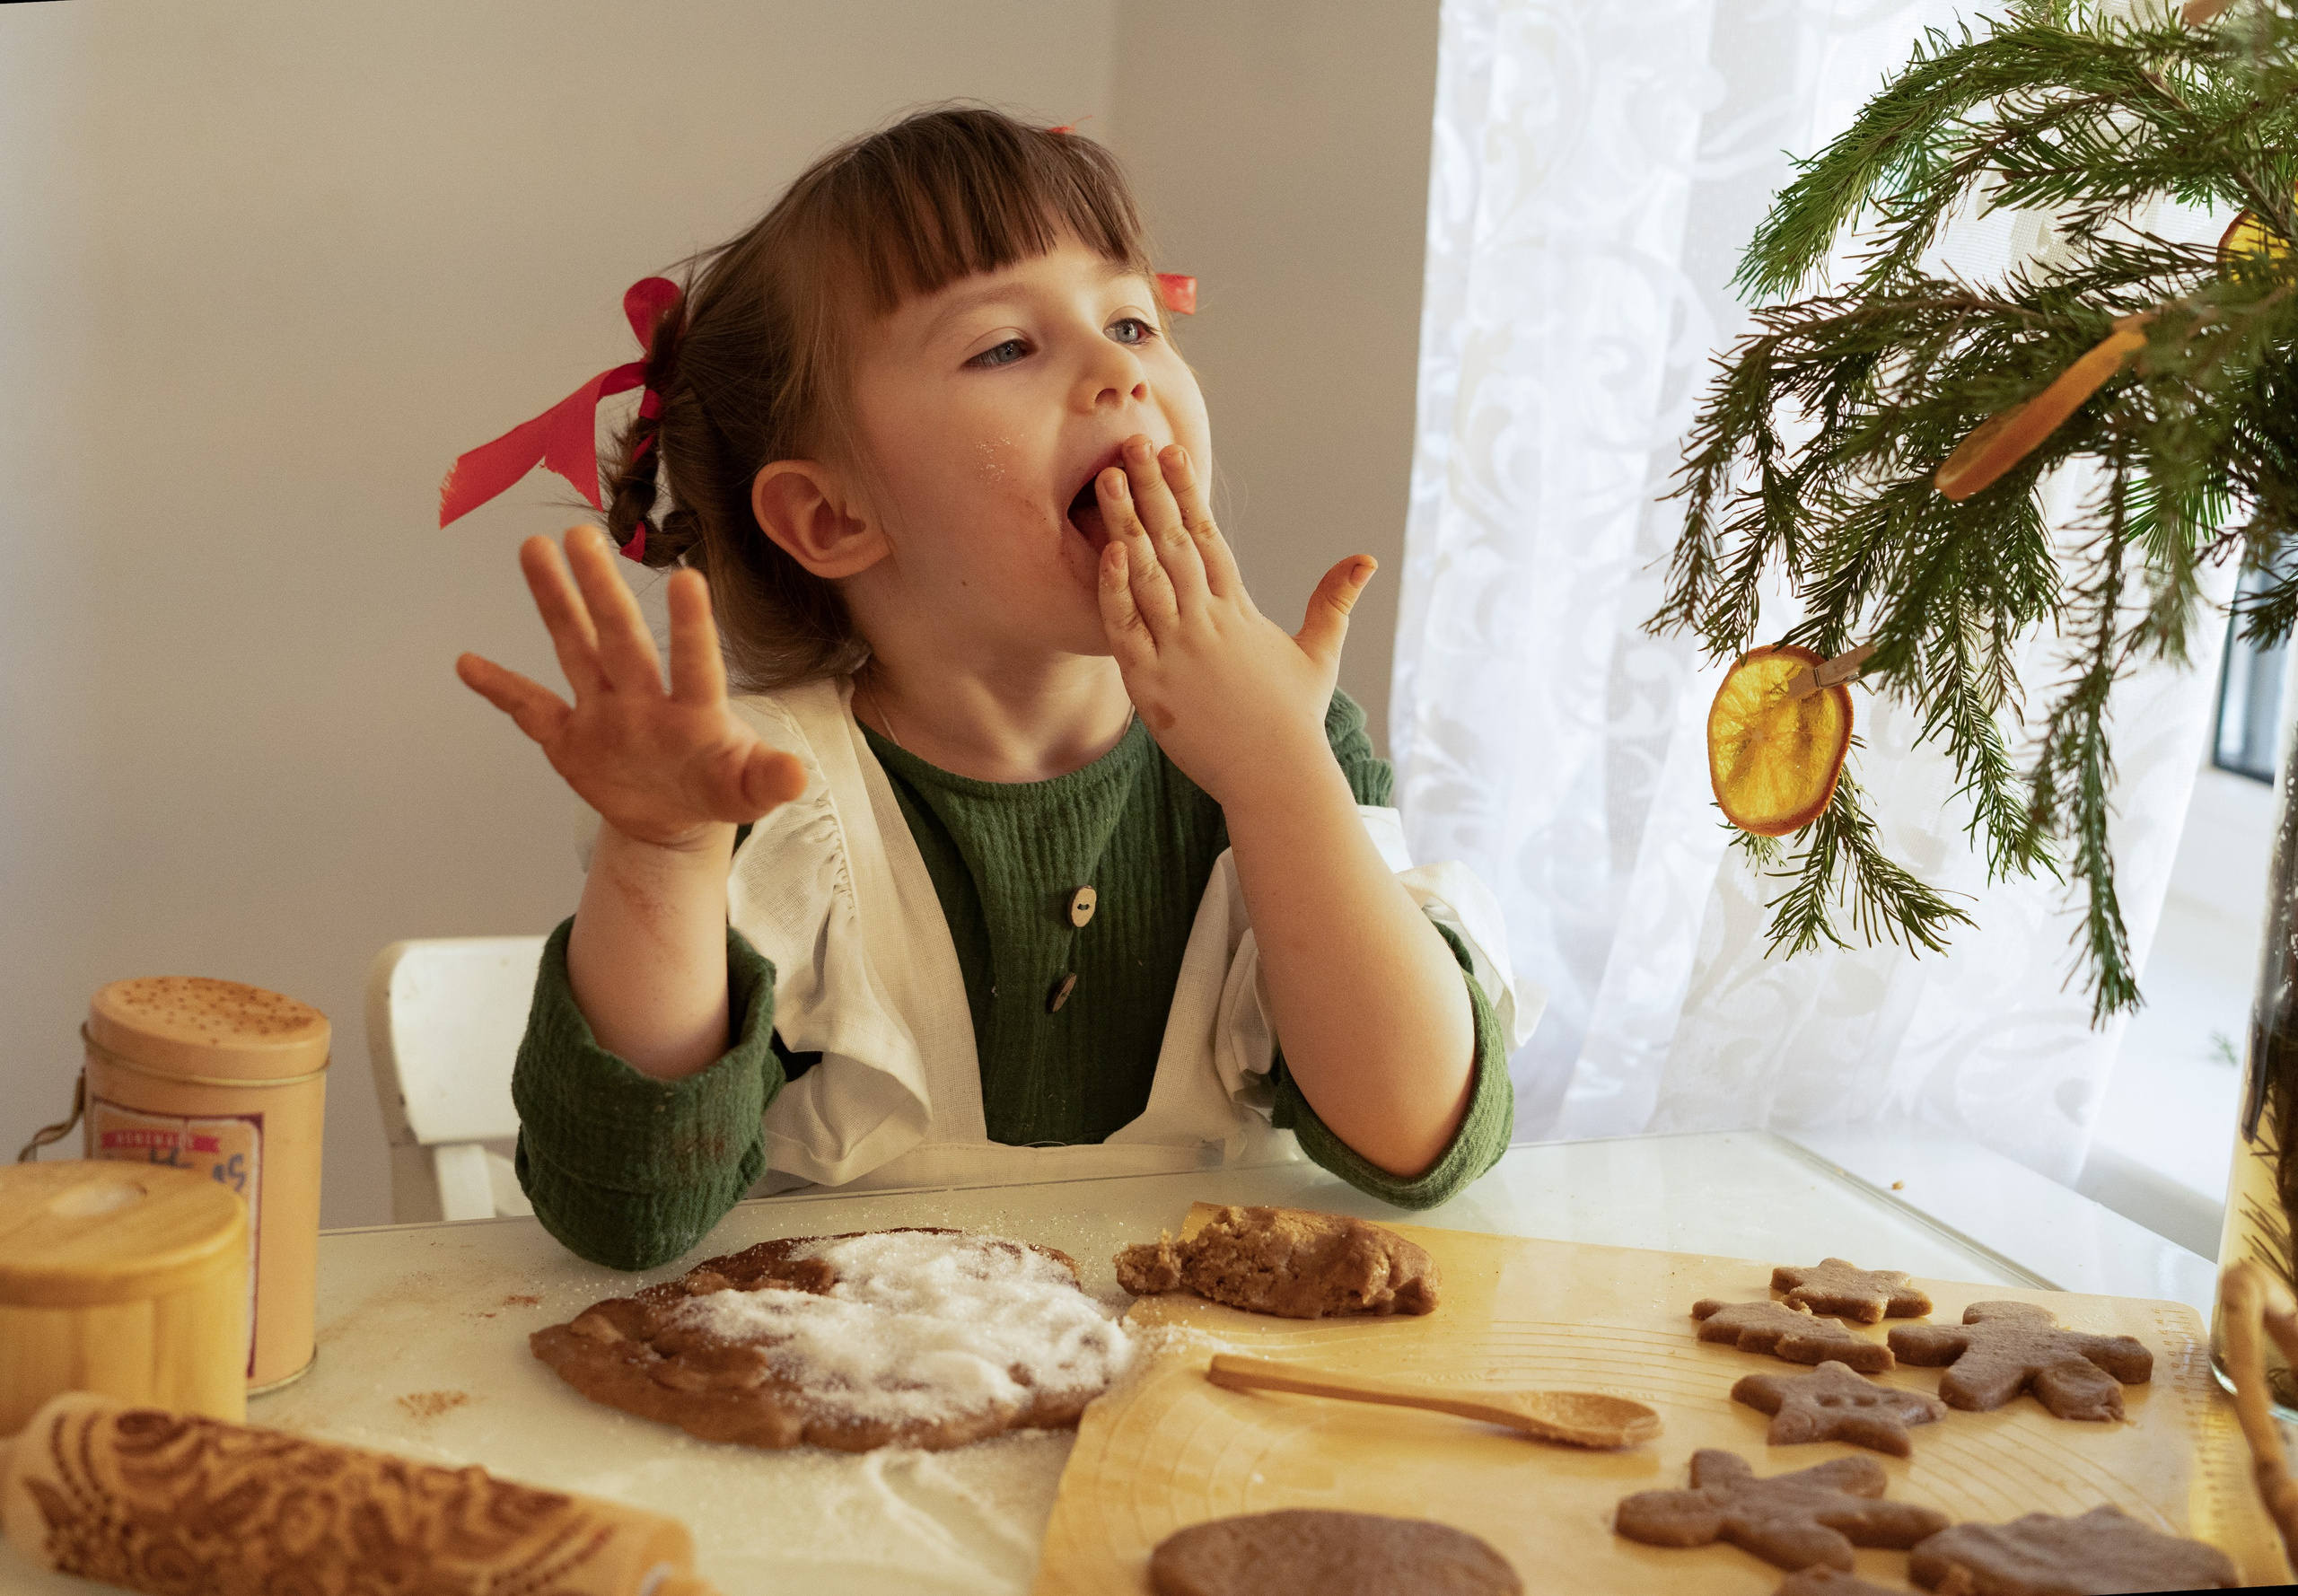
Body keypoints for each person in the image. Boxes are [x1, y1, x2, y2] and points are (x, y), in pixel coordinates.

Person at [449, 106, 1539, 1271]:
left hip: (1197, 1408)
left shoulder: (1284, 731)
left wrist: (1280, 772)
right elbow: (625, 1210)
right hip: (840, 1402)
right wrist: (662, 852)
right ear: (832, 516)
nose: (1121, 368)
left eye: (1132, 318)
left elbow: (1422, 1137)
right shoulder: (759, 790)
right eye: (1006, 347)